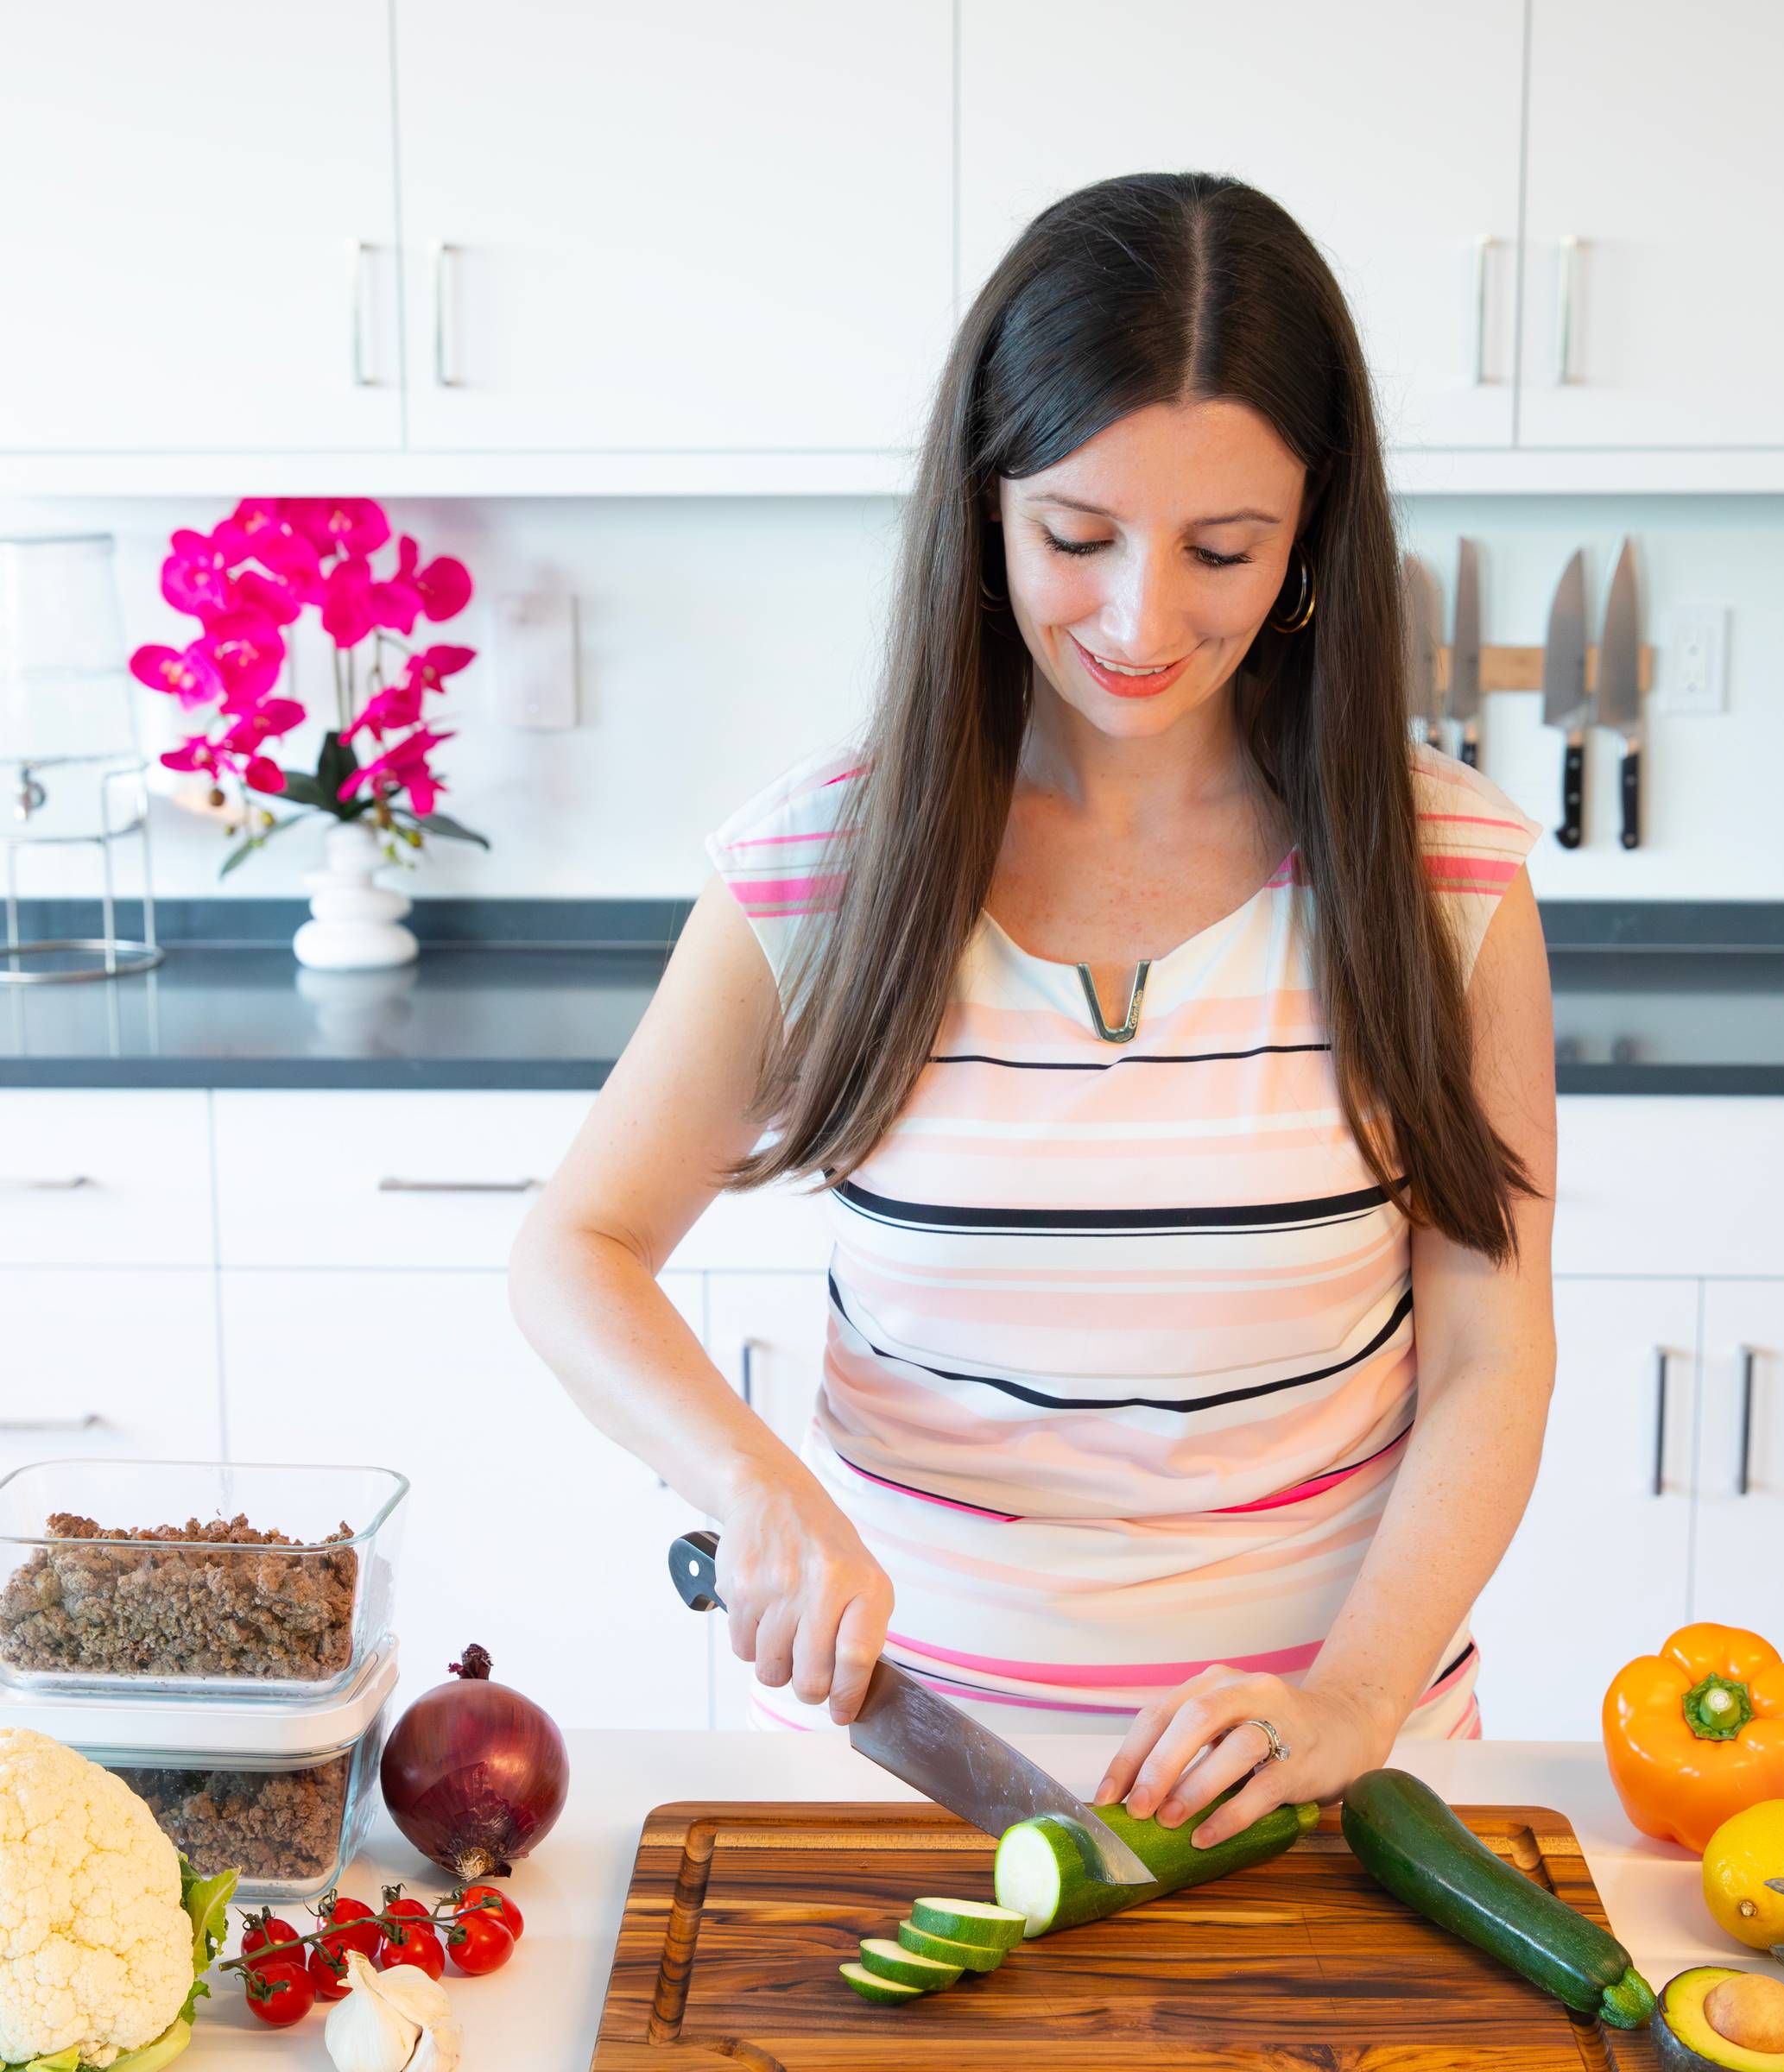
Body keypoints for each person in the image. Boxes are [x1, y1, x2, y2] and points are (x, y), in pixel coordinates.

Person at [509, 171, 1554, 1854]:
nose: (1142, 620)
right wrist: (753, 1487)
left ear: (1312, 536)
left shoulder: (1446, 878)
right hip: (888, 1786)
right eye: (1078, 538)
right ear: (986, 511)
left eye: (1224, 550)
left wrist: (1358, 1701)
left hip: (1324, 1787)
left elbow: (1494, 1344)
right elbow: (576, 1250)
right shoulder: (823, 867)